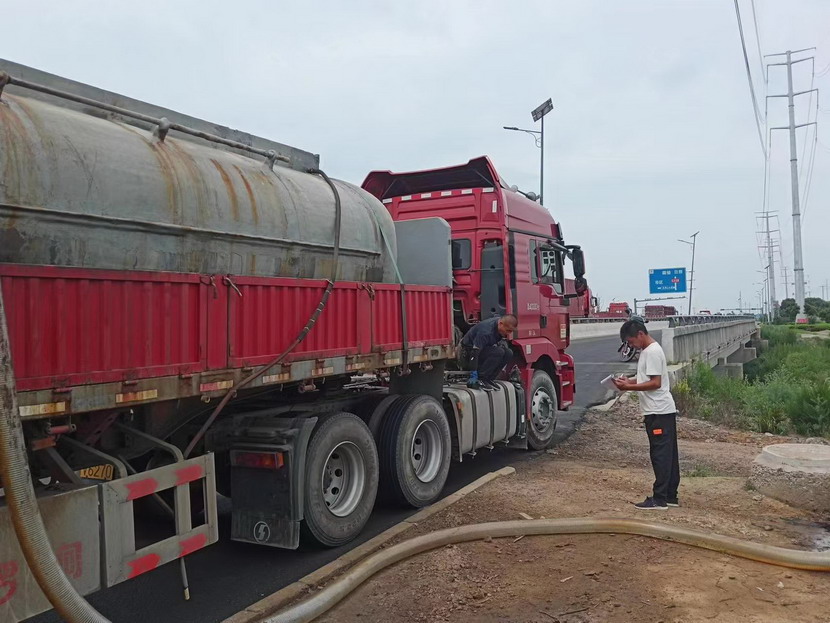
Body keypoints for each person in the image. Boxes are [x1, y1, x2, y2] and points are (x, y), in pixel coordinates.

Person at [613, 319, 680, 510]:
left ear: (640, 334)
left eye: (631, 341)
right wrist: (629, 381)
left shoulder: (652, 352)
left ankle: (659, 499)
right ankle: (670, 496)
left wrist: (628, 388)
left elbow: (655, 383)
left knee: (660, 455)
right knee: (668, 455)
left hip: (658, 411)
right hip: (661, 411)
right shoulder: (649, 351)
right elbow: (646, 378)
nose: (632, 346)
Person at [458, 314, 517, 391]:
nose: (509, 333)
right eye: (508, 330)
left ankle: (489, 379)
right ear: (501, 324)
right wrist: (473, 375)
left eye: (511, 331)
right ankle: (481, 378)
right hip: (468, 353)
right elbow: (474, 353)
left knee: (508, 353)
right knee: (498, 352)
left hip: (482, 350)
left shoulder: (499, 325)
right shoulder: (485, 332)